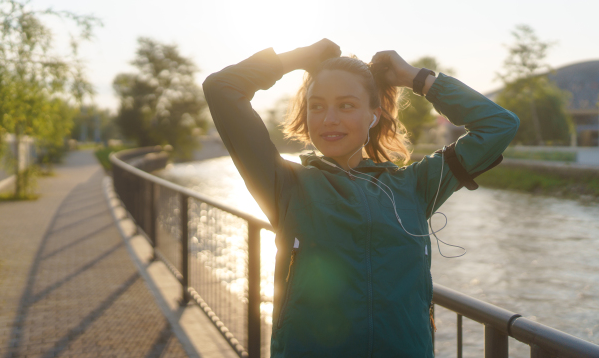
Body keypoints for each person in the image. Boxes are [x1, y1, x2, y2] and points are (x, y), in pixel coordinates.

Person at [202, 39, 519, 357]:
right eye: (317, 106)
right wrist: (300, 58)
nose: (329, 119)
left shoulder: (414, 186)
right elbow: (222, 88)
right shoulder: (285, 185)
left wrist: (416, 79)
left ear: (373, 115)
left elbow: (499, 125)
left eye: (346, 105)